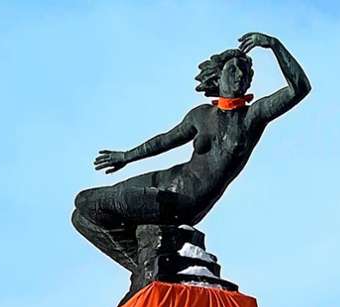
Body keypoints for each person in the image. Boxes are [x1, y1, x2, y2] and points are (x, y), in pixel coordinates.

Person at [71, 32, 310, 272]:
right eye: (232, 70)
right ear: (217, 78)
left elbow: (299, 88)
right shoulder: (201, 115)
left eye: (244, 72)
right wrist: (126, 156)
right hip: (163, 182)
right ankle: (143, 267)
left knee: (86, 202)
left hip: (181, 203)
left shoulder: (252, 117)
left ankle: (149, 267)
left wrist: (274, 45)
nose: (239, 75)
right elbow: (165, 140)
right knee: (81, 219)